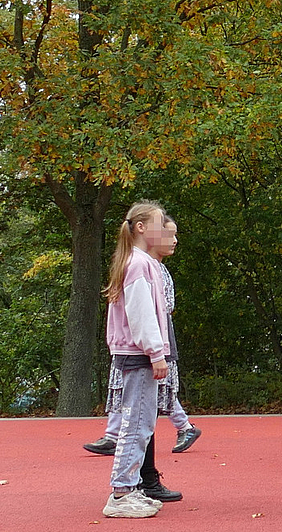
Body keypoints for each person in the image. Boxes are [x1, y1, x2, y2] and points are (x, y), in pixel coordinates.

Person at [84, 216, 201, 457]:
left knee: (153, 392)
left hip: (150, 341)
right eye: (168, 234)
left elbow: (160, 309)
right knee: (132, 390)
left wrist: (156, 350)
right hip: (138, 342)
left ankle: (179, 429)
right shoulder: (137, 264)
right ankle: (115, 437)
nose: (174, 241)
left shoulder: (152, 268)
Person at [100, 200, 182, 518]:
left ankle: (129, 487)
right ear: (141, 228)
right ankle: (121, 493)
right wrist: (156, 353)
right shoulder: (138, 264)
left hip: (138, 353)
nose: (165, 232)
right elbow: (142, 314)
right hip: (138, 355)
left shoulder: (140, 262)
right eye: (160, 225)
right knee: (136, 424)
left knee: (142, 423)